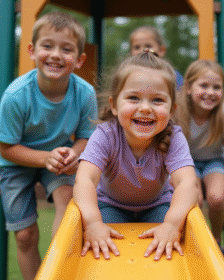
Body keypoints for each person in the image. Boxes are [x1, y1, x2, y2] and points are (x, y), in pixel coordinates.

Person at [0, 11, 97, 280]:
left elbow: (87, 137)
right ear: (32, 51)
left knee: (68, 199)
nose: (56, 55)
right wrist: (44, 158)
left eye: (67, 49)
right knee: (25, 235)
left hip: (59, 156)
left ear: (80, 60)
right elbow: (6, 148)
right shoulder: (17, 96)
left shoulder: (84, 93)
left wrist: (74, 153)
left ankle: (57, 269)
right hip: (17, 162)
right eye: (47, 46)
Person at [73, 51, 199, 261]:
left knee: (171, 248)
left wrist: (171, 224)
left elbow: (187, 182)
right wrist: (93, 223)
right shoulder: (106, 134)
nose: (145, 108)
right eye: (133, 98)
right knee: (106, 251)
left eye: (157, 100)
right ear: (114, 105)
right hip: (110, 205)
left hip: (158, 206)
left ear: (171, 109)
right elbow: (85, 178)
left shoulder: (174, 137)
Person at [174, 60, 224, 247]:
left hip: (214, 161)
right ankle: (196, 239)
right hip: (186, 163)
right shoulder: (179, 111)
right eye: (204, 85)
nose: (210, 92)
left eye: (217, 87)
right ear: (189, 88)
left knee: (216, 198)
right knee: (195, 199)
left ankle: (215, 239)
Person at [129, 26, 184, 90]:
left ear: (161, 50)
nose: (142, 51)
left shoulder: (173, 76)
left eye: (148, 46)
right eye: (137, 47)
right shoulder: (127, 75)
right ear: (131, 51)